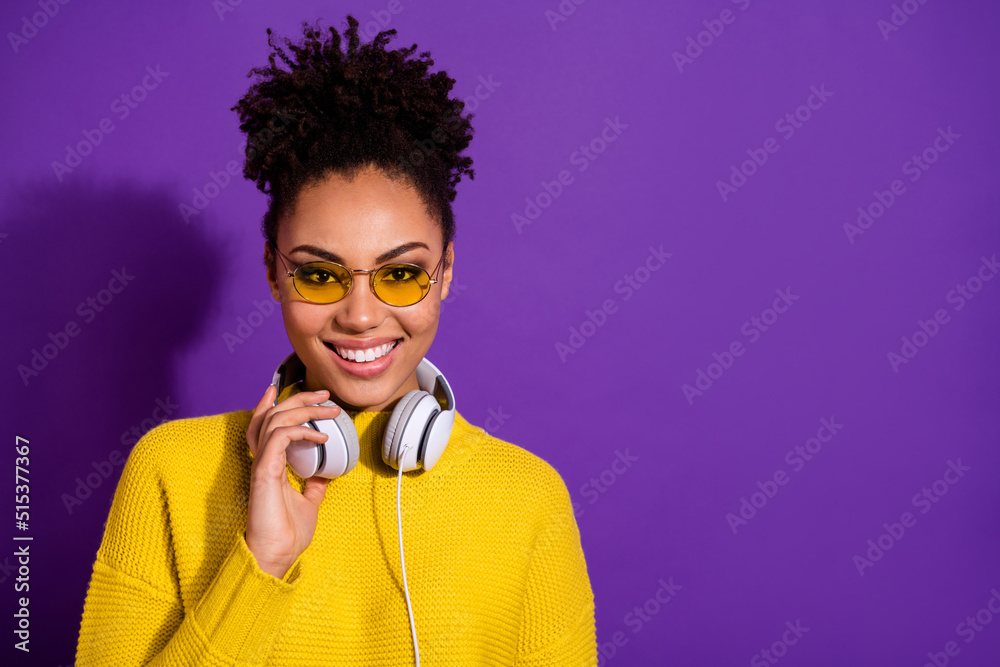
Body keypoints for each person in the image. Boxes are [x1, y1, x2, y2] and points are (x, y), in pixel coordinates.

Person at [76, 15, 596, 665]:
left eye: (401, 274)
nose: (359, 314)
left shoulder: (528, 499)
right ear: (273, 271)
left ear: (445, 274)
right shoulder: (170, 471)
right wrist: (260, 564)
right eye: (320, 274)